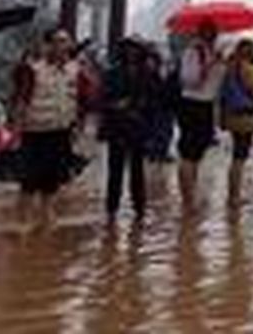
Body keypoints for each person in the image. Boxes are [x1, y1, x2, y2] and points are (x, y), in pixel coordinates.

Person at [10, 28, 89, 223]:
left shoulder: (75, 70)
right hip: (34, 133)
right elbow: (20, 102)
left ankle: (46, 223)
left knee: (52, 182)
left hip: (60, 132)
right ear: (48, 45)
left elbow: (82, 101)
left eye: (66, 41)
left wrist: (78, 129)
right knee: (28, 183)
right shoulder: (33, 70)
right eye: (58, 41)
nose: (63, 46)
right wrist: (15, 135)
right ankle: (22, 224)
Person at [100, 38, 158, 221]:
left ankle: (139, 207)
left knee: (137, 169)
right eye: (128, 49)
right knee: (115, 169)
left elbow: (156, 99)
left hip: (138, 127)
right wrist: (116, 105)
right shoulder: (112, 73)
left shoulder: (147, 74)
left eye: (135, 49)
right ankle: (112, 208)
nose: (132, 53)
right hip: (117, 126)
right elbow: (102, 99)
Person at [176, 20, 223, 211]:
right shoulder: (193, 52)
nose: (214, 35)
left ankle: (191, 193)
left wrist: (222, 63)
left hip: (207, 105)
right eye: (210, 31)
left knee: (199, 151)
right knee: (188, 153)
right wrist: (210, 65)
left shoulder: (213, 52)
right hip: (191, 104)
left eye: (215, 31)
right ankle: (187, 200)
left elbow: (216, 83)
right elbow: (189, 80)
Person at [218, 38, 253, 207]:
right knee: (239, 157)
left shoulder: (230, 66)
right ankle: (234, 196)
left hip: (232, 115)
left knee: (237, 155)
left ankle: (233, 194)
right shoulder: (245, 67)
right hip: (244, 116)